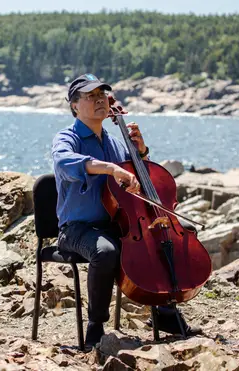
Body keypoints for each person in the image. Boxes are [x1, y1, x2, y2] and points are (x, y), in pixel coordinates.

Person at [52, 73, 201, 350]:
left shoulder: (116, 142)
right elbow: (64, 163)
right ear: (74, 106)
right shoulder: (66, 138)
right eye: (90, 97)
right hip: (76, 229)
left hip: (116, 224)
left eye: (101, 96)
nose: (98, 101)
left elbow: (140, 179)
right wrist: (110, 167)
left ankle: (166, 314)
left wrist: (141, 153)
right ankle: (95, 328)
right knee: (106, 251)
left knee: (157, 239)